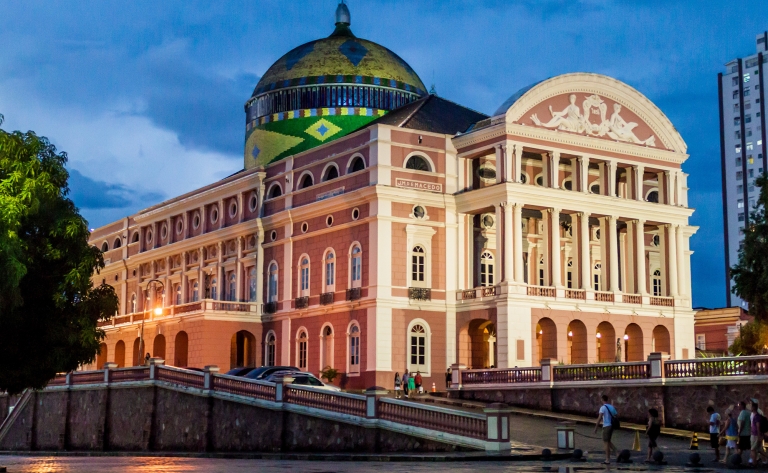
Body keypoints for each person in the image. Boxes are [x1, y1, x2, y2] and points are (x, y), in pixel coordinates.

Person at [594, 394, 618, 465]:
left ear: (602, 400)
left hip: (606, 426)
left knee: (606, 443)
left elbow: (599, 418)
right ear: (607, 399)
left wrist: (596, 428)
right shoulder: (611, 407)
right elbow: (616, 416)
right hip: (611, 426)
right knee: (608, 441)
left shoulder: (603, 408)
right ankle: (617, 453)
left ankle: (607, 459)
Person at [750, 400, 768, 466]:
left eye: (751, 407)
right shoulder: (757, 415)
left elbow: (757, 426)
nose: (750, 408)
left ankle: (754, 463)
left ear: (754, 408)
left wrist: (758, 434)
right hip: (756, 434)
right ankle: (762, 459)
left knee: (753, 449)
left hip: (755, 435)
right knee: (759, 449)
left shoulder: (756, 416)